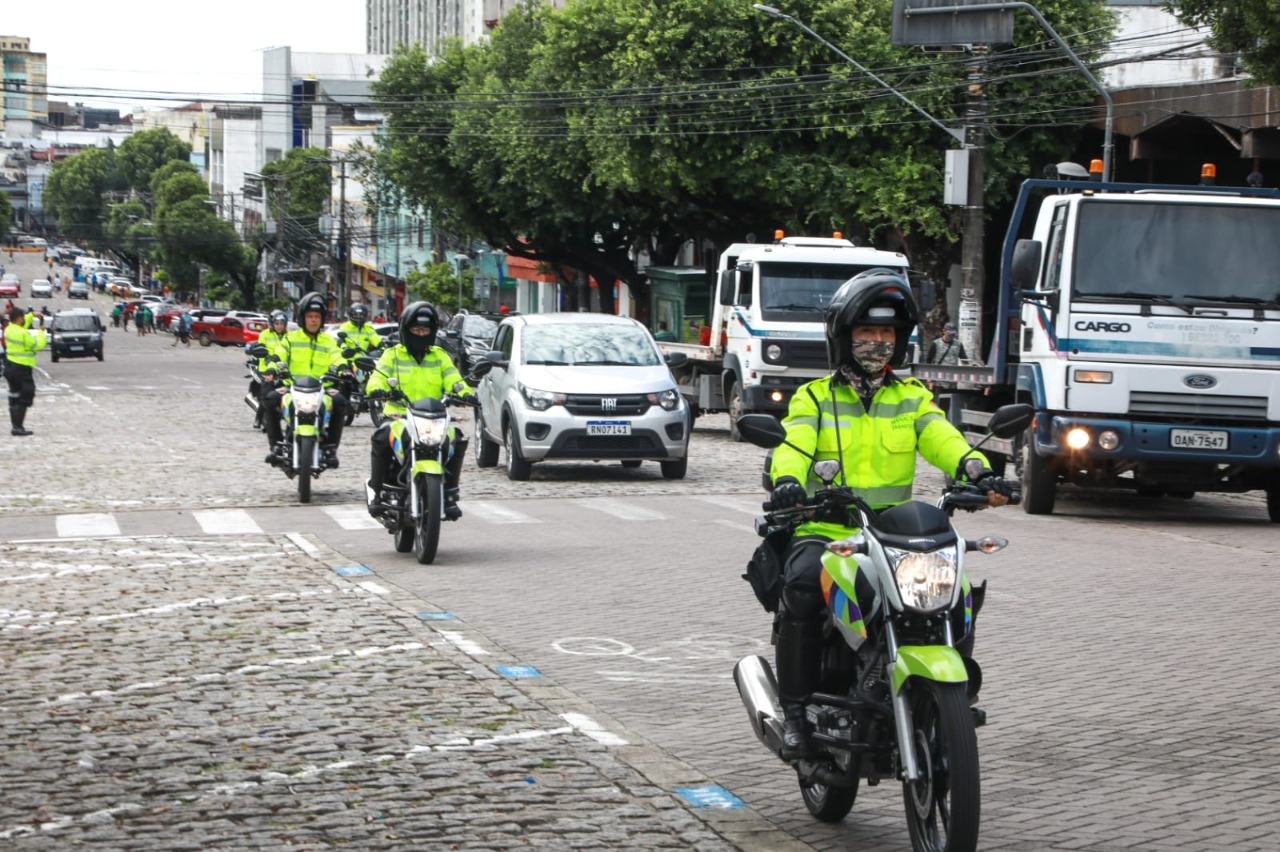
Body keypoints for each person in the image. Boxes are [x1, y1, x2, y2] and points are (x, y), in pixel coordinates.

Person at [766, 269, 1012, 760]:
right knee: (803, 586)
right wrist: (788, 481)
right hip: (827, 529)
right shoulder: (815, 396)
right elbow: (793, 443)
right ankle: (795, 712)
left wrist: (977, 470)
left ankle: (949, 698)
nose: (878, 341)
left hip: (894, 534)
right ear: (844, 336)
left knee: (955, 590)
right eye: (867, 331)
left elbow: (941, 437)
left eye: (887, 332)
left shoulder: (912, 396)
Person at [365, 301, 474, 520]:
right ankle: (377, 491)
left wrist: (465, 393)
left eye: (425, 329)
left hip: (433, 418)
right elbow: (378, 376)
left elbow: (454, 379)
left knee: (456, 438)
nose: (421, 334)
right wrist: (377, 389)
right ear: (406, 330)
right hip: (399, 416)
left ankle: (450, 494)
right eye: (416, 329)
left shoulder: (439, 356)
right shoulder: (392, 355)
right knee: (381, 436)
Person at [263, 292, 348, 467]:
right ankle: (276, 446)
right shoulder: (290, 338)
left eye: (317, 316)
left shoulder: (329, 341)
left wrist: (343, 368)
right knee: (270, 400)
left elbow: (337, 356)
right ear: (302, 318)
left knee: (340, 402)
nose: (313, 320)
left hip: (322, 388)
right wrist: (272, 367)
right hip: (292, 388)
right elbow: (279, 353)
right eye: (310, 316)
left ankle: (330, 447)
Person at [4, 306, 46, 436]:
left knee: (14, 395)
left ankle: (15, 425)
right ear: (18, 318)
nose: (24, 319)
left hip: (10, 366)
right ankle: (18, 427)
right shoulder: (22, 334)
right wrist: (40, 332)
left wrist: (32, 315)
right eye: (23, 317)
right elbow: (38, 345)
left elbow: (22, 324)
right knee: (26, 394)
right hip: (22, 368)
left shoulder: (9, 329)